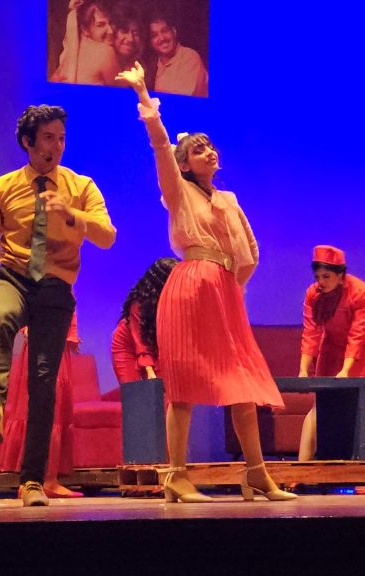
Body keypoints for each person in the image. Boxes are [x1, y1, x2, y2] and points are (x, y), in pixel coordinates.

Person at [117, 62, 295, 503]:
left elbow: (250, 250)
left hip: (223, 290)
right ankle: (176, 475)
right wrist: (144, 97)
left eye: (211, 146)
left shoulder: (228, 198)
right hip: (191, 284)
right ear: (185, 164)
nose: (209, 152)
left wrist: (234, 286)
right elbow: (161, 147)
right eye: (199, 150)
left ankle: (257, 473)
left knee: (243, 382)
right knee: (184, 384)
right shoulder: (178, 192)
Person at [0, 105, 115, 506]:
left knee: (43, 381)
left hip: (56, 285)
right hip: (14, 276)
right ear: (28, 142)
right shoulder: (2, 187)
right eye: (49, 138)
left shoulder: (80, 187)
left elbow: (107, 236)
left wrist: (72, 214)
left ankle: (32, 480)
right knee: (3, 315)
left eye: (61, 138)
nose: (57, 146)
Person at [297, 245, 365, 461]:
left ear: (341, 275)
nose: (321, 282)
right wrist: (303, 370)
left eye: (326, 276)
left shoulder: (361, 291)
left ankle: (363, 465)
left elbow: (357, 334)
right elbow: (310, 332)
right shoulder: (313, 294)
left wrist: (346, 370)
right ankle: (301, 466)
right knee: (320, 405)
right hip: (333, 348)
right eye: (317, 276)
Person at [0, 314, 81, 498]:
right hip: (47, 341)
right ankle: (46, 480)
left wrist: (71, 334)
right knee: (50, 406)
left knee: (45, 406)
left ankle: (32, 481)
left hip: (52, 338)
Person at [110, 257, 178, 384]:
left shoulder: (175, 300)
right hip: (128, 346)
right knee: (139, 394)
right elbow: (141, 342)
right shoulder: (140, 304)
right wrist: (149, 371)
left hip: (153, 346)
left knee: (162, 392)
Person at [51, 0, 120, 86]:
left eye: (111, 23)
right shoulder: (106, 52)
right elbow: (123, 92)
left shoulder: (67, 55)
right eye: (100, 25)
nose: (110, 31)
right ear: (85, 29)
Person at [146, 13, 209, 97]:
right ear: (151, 43)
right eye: (154, 35)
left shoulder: (189, 57)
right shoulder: (153, 66)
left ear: (174, 32)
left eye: (165, 31)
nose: (162, 38)